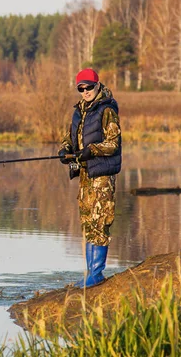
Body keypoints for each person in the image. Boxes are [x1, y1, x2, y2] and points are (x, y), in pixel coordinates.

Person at [59, 68, 122, 288]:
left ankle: (97, 273)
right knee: (87, 222)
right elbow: (69, 138)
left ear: (97, 85)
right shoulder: (79, 111)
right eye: (81, 88)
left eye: (88, 87)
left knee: (100, 221)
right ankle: (90, 273)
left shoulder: (107, 110)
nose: (85, 92)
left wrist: (92, 150)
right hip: (85, 175)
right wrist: (65, 151)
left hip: (102, 175)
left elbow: (113, 143)